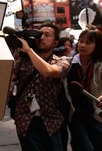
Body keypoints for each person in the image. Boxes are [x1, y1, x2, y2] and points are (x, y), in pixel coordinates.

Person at [9, 23, 70, 151]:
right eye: (39, 35)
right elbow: (9, 79)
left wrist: (29, 50)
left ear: (55, 42)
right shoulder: (23, 59)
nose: (41, 38)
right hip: (26, 120)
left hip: (51, 121)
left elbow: (48, 71)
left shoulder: (62, 61)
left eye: (47, 35)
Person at [67, 26, 102, 151]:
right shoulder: (70, 63)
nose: (83, 45)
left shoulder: (100, 64)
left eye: (88, 42)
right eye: (81, 41)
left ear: (97, 45)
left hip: (97, 113)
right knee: (83, 147)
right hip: (77, 113)